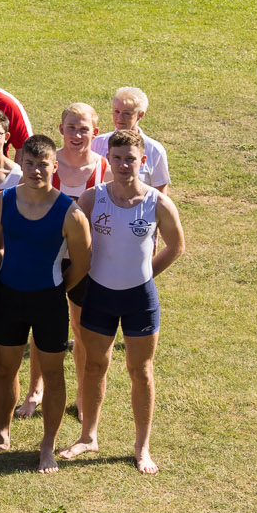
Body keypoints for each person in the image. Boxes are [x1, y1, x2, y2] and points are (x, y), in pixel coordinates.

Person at [61, 132, 186, 474]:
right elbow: (67, 235)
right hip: (99, 295)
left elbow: (176, 246)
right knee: (93, 366)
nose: (123, 165)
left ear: (143, 162)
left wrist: (146, 276)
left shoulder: (157, 203)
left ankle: (142, 446)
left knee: (140, 371)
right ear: (108, 160)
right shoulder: (92, 198)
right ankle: (88, 436)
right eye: (117, 158)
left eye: (130, 159)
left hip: (139, 299)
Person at [0, 135, 92, 469]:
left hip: (49, 301)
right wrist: (15, 276)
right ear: (21, 165)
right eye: (28, 163)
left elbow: (82, 262)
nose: (35, 170)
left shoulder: (70, 213)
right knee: (3, 368)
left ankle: (48, 445)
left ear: (54, 166)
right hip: (10, 296)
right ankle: (0, 432)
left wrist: (56, 287)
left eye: (43, 164)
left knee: (53, 373)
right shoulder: (1, 203)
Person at [95, 87, 173, 192]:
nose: (120, 117)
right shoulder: (98, 143)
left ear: (140, 115)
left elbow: (160, 193)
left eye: (127, 113)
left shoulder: (154, 150)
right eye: (116, 111)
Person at [52, 102, 112, 198]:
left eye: (83, 129)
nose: (77, 135)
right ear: (61, 129)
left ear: (95, 132)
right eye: (71, 128)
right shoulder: (44, 165)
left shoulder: (106, 172)